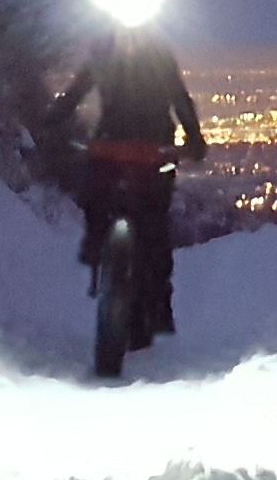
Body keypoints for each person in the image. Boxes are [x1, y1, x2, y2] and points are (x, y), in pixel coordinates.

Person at [42, 20, 205, 334]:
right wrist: (194, 141)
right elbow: (179, 98)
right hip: (145, 149)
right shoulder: (155, 54)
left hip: (116, 146)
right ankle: (156, 301)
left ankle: (110, 259)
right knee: (152, 224)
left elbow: (75, 93)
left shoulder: (107, 52)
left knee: (114, 206)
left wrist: (51, 120)